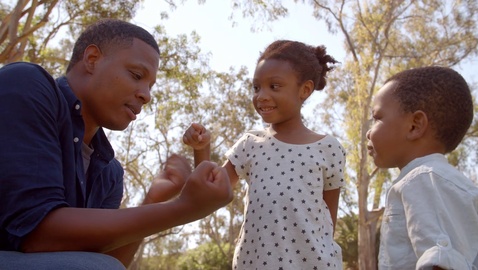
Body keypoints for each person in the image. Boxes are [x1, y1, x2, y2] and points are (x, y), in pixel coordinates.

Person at [0, 19, 233, 269]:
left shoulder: (109, 173)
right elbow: (37, 234)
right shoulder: (27, 84)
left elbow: (108, 261)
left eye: (150, 85)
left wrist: (153, 200)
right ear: (92, 59)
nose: (146, 95)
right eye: (136, 75)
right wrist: (184, 208)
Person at [183, 40, 346, 269]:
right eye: (256, 87)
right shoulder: (250, 144)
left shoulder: (329, 148)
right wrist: (201, 149)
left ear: (305, 89)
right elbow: (211, 191)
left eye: (275, 86)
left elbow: (329, 221)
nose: (261, 96)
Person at [366, 66, 478, 269]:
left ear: (414, 126)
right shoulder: (432, 179)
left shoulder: (423, 179)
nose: (369, 132)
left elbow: (442, 262)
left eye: (377, 118)